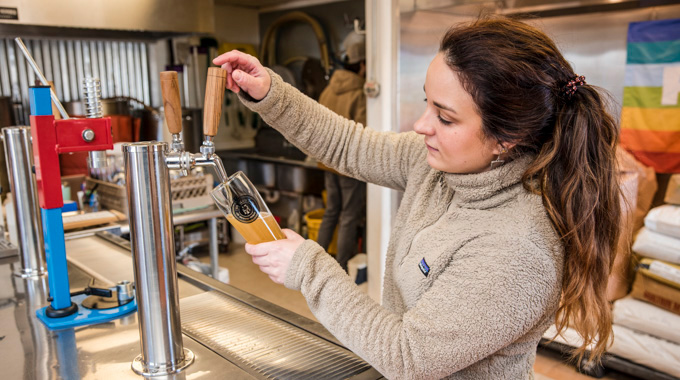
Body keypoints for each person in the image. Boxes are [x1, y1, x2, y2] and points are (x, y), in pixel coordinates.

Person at [213, 16, 620, 379]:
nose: (422, 125)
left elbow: (408, 358)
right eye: (427, 102)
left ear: (506, 139)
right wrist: (271, 95)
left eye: (445, 117)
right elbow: (347, 145)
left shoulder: (516, 249)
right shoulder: (443, 165)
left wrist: (308, 268)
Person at [316, 31, 367, 273]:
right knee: (349, 216)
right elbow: (365, 133)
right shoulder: (359, 94)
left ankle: (315, 261)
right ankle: (342, 268)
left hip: (327, 162)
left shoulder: (327, 91)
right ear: (363, 65)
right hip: (349, 166)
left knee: (331, 212)